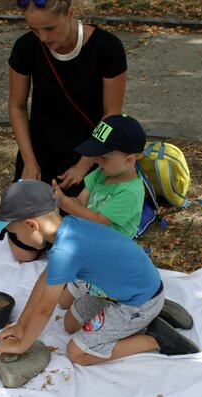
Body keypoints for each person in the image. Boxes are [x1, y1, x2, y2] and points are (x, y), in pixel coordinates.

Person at [0, 180, 200, 365]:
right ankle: (149, 314)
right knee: (70, 324)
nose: (16, 240)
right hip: (132, 290)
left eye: (14, 233)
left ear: (32, 225)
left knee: (77, 353)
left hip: (137, 302)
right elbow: (44, 281)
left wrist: (23, 344)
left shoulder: (64, 250)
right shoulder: (68, 227)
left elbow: (44, 309)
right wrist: (21, 326)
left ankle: (154, 337)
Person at [7, 0, 127, 261]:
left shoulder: (108, 48)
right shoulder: (26, 47)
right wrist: (29, 160)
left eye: (50, 28)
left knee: (75, 250)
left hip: (89, 156)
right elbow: (16, 107)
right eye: (35, 29)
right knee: (24, 252)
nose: (43, 37)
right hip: (40, 154)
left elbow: (111, 116)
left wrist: (85, 165)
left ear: (71, 13)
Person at [52, 113, 147, 308]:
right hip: (90, 249)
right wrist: (55, 199)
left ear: (129, 160)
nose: (96, 161)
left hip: (111, 260)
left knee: (76, 321)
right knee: (62, 303)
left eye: (103, 156)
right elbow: (80, 201)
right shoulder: (103, 173)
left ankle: (141, 309)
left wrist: (65, 204)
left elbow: (98, 219)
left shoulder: (130, 192)